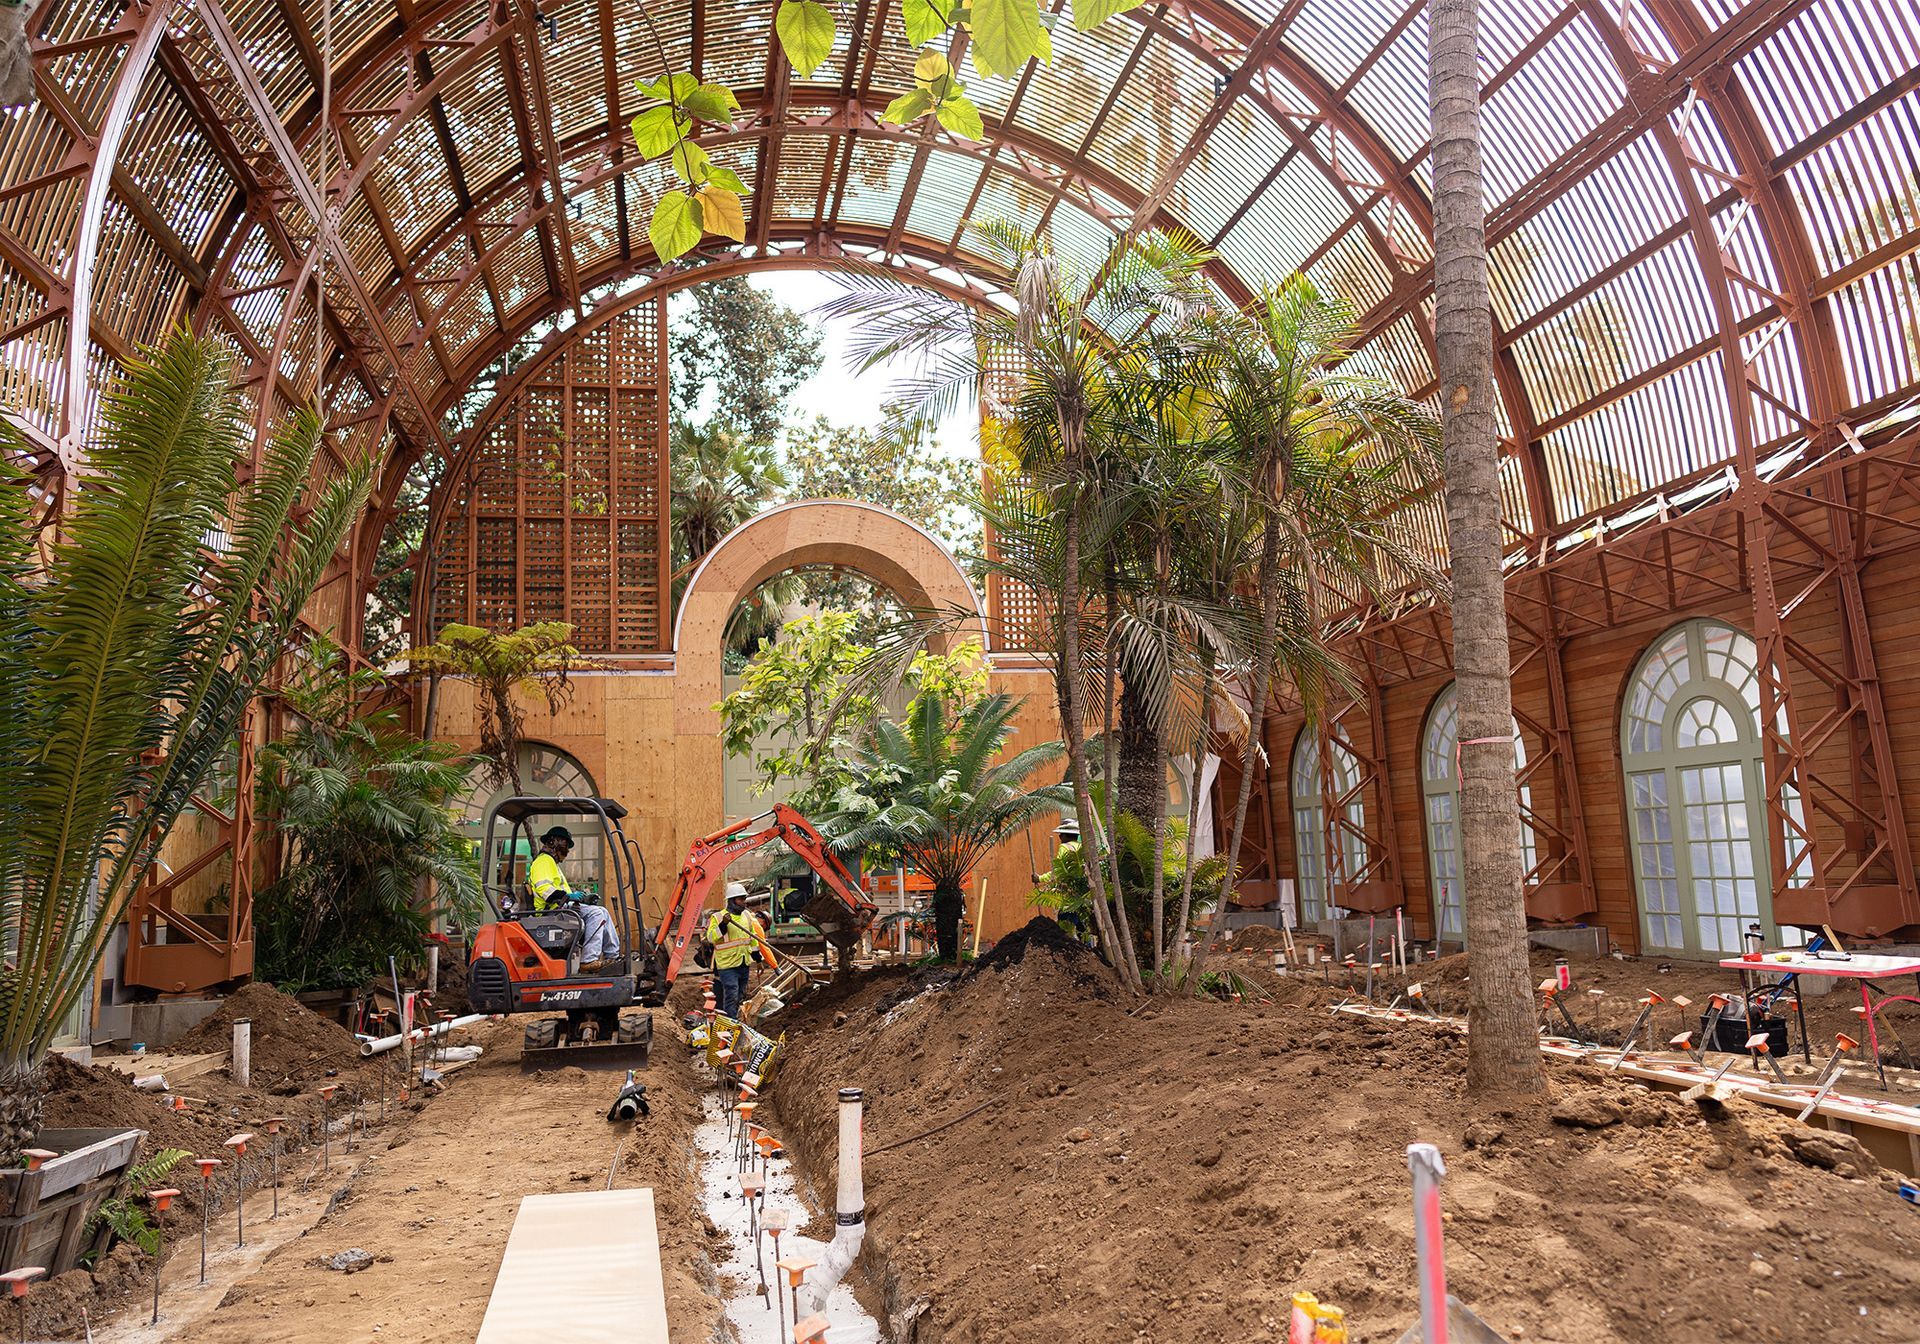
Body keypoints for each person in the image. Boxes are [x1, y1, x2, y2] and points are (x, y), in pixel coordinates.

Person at [527, 826, 622, 967]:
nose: (568, 850)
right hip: (552, 912)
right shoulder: (543, 862)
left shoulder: (551, 863)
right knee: (596, 914)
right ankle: (588, 960)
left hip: (561, 908)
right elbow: (545, 891)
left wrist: (583, 898)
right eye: (565, 845)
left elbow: (560, 891)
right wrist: (570, 896)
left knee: (602, 911)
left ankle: (613, 957)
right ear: (554, 843)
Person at [706, 885, 764, 1020]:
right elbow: (711, 938)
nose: (744, 902)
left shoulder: (747, 916)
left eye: (744, 899)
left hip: (743, 962)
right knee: (731, 993)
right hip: (727, 965)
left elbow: (753, 939)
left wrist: (758, 960)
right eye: (741, 899)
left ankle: (735, 1019)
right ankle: (730, 1024)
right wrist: (723, 925)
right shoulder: (718, 917)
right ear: (732, 900)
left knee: (740, 995)